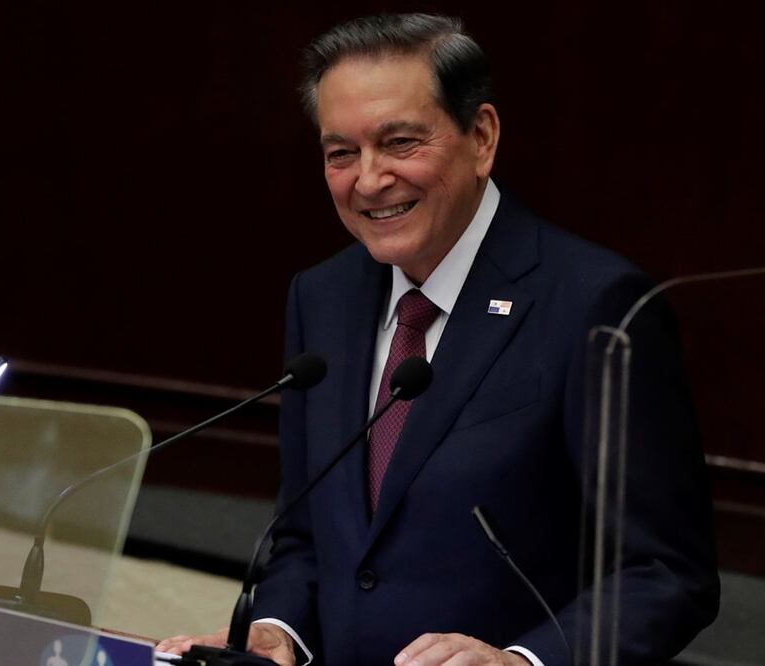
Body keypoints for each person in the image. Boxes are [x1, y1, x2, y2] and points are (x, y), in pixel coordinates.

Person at [158, 13, 718, 665]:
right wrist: (278, 627)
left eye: (399, 143)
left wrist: (521, 661)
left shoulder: (594, 305)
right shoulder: (322, 296)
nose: (367, 180)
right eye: (341, 152)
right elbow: (309, 536)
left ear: (480, 137)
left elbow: (663, 573)